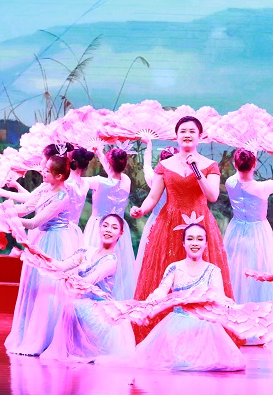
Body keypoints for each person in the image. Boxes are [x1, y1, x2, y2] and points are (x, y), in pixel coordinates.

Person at [130, 116, 235, 343]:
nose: (187, 135)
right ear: (176, 136)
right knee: (166, 273)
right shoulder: (165, 166)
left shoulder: (209, 165)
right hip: (169, 225)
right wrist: (141, 210)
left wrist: (197, 171)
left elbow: (212, 196)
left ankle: (201, 333)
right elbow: (153, 197)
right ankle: (162, 334)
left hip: (199, 225)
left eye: (192, 131)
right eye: (183, 131)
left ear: (200, 136)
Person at [133, 223, 245, 371]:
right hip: (177, 325)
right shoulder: (174, 267)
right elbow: (161, 291)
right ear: (183, 243)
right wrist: (151, 302)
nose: (195, 243)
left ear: (206, 244)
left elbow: (219, 296)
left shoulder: (213, 270)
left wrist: (233, 307)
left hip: (205, 327)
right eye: (190, 239)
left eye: (200, 239)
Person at [37, 214, 136, 362]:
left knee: (72, 306)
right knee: (72, 306)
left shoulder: (111, 261)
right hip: (83, 305)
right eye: (105, 225)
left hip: (99, 310)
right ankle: (76, 349)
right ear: (99, 228)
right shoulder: (85, 252)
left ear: (120, 234)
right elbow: (61, 266)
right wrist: (38, 253)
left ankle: (87, 349)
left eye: (114, 228)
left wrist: (72, 281)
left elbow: (89, 280)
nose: (108, 230)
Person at [3, 154, 74, 355]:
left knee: (48, 291)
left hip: (54, 243)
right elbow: (27, 208)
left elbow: (34, 222)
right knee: (33, 288)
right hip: (40, 240)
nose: (43, 172)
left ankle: (46, 338)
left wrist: (9, 219)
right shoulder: (44, 188)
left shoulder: (62, 197)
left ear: (59, 176)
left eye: (47, 171)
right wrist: (0, 209)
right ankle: (29, 334)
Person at [224, 148, 273, 307]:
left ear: (235, 164)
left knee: (235, 268)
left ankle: (235, 303)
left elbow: (241, 175)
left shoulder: (229, 183)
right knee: (258, 266)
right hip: (258, 232)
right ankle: (257, 306)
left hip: (236, 230)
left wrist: (251, 154)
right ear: (254, 165)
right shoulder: (262, 187)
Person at [82, 146, 136, 300]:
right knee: (119, 269)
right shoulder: (126, 181)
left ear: (108, 163)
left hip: (100, 226)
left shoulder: (97, 181)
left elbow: (76, 180)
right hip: (118, 229)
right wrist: (100, 153)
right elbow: (112, 173)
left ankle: (90, 296)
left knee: (93, 262)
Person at [134, 139, 178, 278]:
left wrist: (149, 145)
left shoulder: (154, 178)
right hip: (175, 222)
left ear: (160, 161)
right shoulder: (180, 181)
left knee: (153, 257)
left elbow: (146, 166)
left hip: (156, 221)